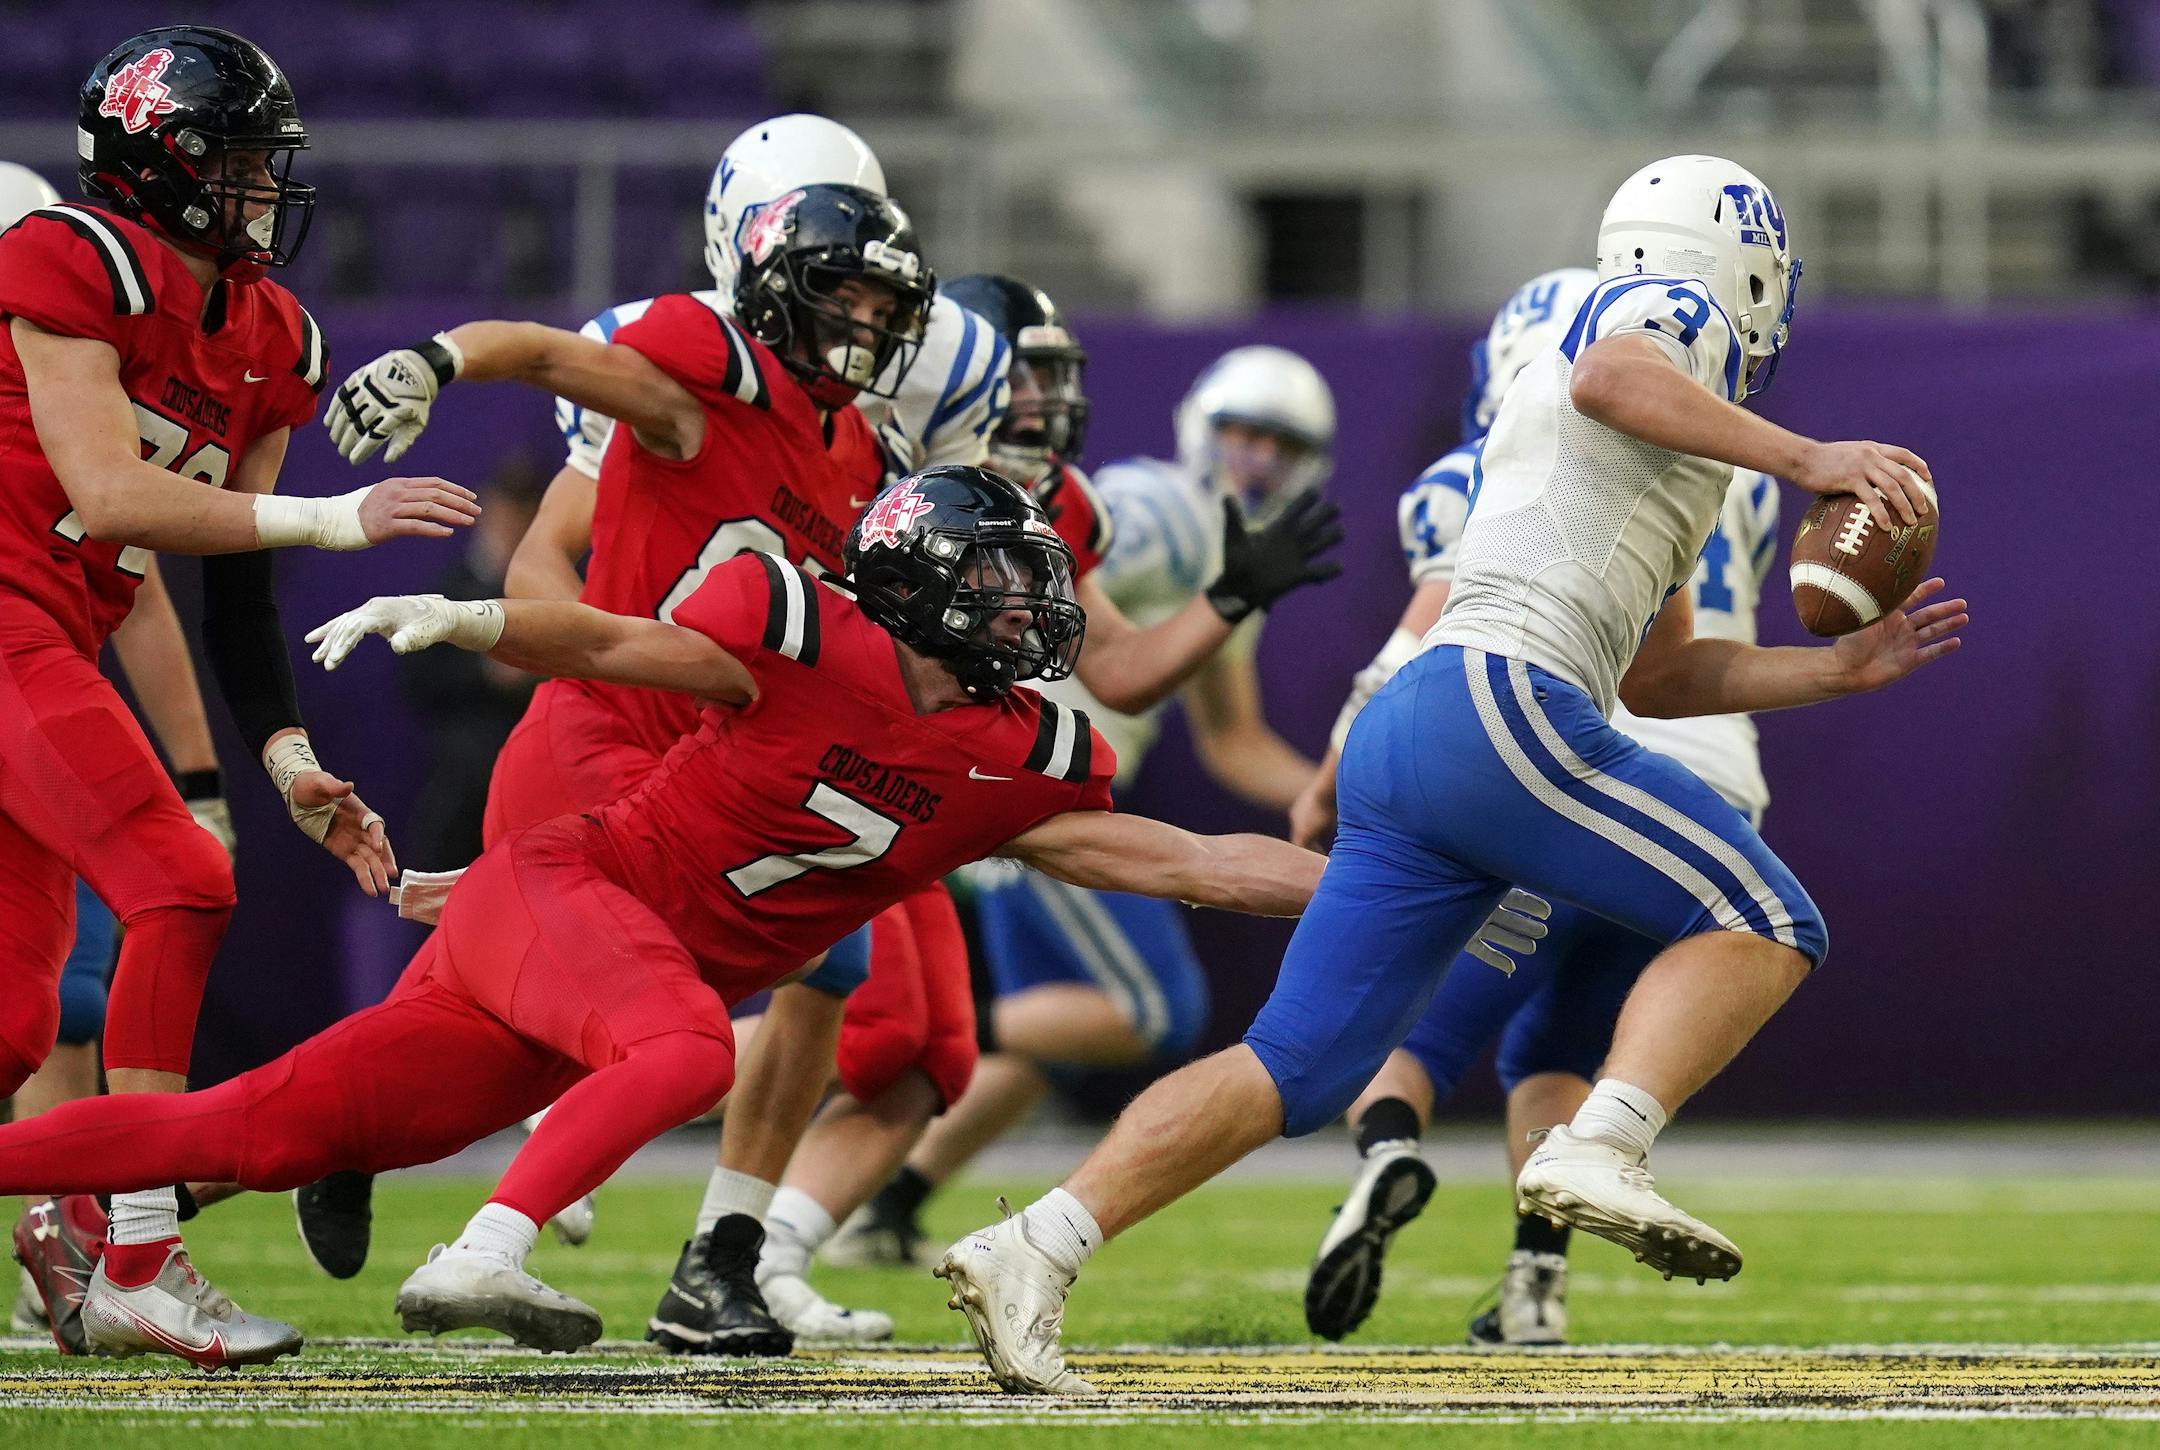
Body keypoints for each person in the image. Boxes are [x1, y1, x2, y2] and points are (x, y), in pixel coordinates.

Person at [938, 154, 1966, 1395]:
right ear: (1735, 258)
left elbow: (1659, 677)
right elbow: (1613, 371)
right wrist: (1808, 456)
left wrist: (1834, 675)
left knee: (1295, 1066)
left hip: (1428, 723)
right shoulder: (1665, 319)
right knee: (1766, 919)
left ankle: (1034, 1244)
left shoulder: (1669, 436)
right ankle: (1604, 1142)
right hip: (1502, 701)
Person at [0, 468, 1323, 1361]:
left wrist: (1390, 885)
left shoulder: (1013, 754)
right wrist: (466, 613)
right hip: (571, 890)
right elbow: (621, 644)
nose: (1029, 611)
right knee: (689, 1045)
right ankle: (483, 1252)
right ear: (920, 584)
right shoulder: (805, 630)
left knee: (254, 1127)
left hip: (582, 971)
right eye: (997, 582)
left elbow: (1198, 861)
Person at [0, 26, 476, 1368]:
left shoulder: (275, 333)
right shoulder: (69, 258)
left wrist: (284, 764)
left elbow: (235, 587)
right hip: (9, 617)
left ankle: (116, 1242)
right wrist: (342, 513)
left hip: (54, 633)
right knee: (182, 883)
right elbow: (106, 495)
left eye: (270, 169)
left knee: (15, 1024)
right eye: (241, 167)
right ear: (158, 169)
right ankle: (140, 1256)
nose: (264, 194)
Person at [1294, 269, 1789, 1346]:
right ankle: (1534, 1288)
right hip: (1713, 791)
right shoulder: (1723, 451)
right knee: (1553, 1053)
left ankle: (1384, 1156)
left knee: (1425, 1027)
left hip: (1566, 770)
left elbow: (1418, 636)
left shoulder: (1513, 449)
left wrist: (1332, 767)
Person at [834, 341, 1342, 1270]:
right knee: (1149, 1008)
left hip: (1053, 776)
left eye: (1281, 441)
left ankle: (890, 1201)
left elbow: (1233, 741)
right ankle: (916, 1034)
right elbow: (1036, 587)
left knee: (1054, 1036)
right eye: (1244, 431)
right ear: (1202, 427)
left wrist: (1325, 786)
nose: (1259, 456)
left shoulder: (1225, 542)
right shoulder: (1161, 511)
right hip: (1024, 778)